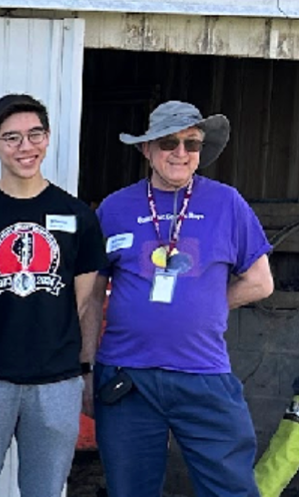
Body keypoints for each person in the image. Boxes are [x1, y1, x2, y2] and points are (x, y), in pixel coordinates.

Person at [90, 100, 275, 497]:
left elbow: (261, 282)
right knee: (129, 490)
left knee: (231, 489)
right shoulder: (114, 208)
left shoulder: (227, 203)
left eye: (191, 144)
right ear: (146, 149)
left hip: (203, 372)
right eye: (169, 142)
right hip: (127, 373)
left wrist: (207, 305)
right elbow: (90, 299)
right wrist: (86, 369)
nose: (181, 153)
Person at [0, 94, 107, 497]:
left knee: (46, 490)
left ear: (48, 138)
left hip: (57, 380)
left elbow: (88, 302)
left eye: (35, 135)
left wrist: (86, 369)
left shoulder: (78, 217)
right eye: (12, 138)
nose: (25, 147)